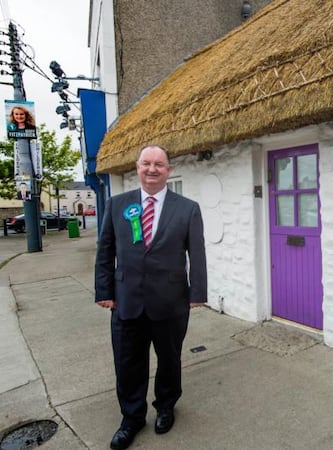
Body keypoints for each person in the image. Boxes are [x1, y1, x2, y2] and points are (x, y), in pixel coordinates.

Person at [95, 144, 207, 450]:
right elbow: (105, 252)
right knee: (128, 363)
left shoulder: (187, 208)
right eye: (146, 163)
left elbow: (197, 254)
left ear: (168, 170)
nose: (152, 169)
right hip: (126, 300)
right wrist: (104, 291)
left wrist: (197, 292)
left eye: (159, 164)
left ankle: (166, 407)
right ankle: (131, 418)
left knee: (169, 360)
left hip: (171, 302)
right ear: (137, 168)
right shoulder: (116, 205)